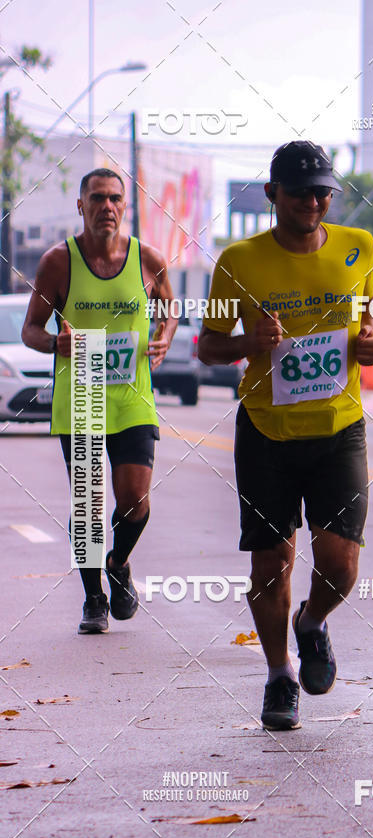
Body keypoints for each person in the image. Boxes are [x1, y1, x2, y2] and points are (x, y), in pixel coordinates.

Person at [198, 141, 373, 729]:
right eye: (301, 191)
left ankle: (312, 621)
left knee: (341, 564)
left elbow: (367, 321)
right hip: (266, 432)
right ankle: (280, 676)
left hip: (339, 428)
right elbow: (208, 347)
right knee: (270, 566)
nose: (314, 201)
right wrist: (248, 343)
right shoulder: (239, 261)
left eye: (323, 191)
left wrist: (369, 344)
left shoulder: (359, 246)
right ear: (273, 193)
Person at [22, 168, 177, 634]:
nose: (106, 206)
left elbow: (169, 309)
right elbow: (30, 330)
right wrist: (56, 344)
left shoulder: (147, 259)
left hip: (132, 397)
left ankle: (118, 561)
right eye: (97, 198)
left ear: (124, 206)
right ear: (81, 206)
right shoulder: (58, 262)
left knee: (135, 501)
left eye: (114, 199)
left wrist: (164, 336)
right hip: (81, 399)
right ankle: (93, 599)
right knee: (89, 505)